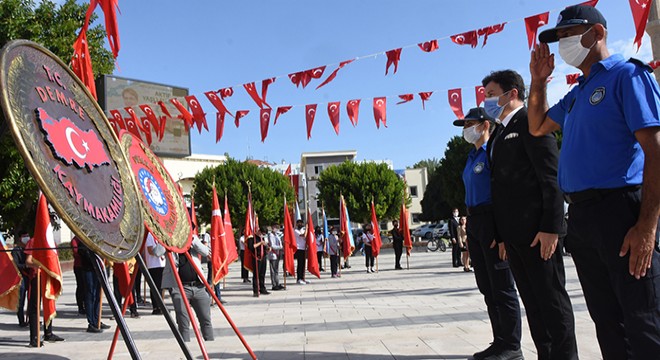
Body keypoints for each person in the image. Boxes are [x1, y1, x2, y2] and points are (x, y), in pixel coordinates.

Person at [528, 5, 660, 358]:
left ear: (597, 34)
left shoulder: (627, 75)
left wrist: (647, 225)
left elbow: (656, 152)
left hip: (622, 210)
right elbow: (538, 125)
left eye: (569, 35)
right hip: (584, 218)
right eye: (559, 38)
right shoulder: (579, 91)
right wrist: (538, 82)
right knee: (607, 320)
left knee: (642, 318)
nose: (562, 44)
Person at [484, 69, 577, 359]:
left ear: (512, 94)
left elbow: (551, 177)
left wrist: (552, 227)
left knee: (552, 304)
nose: (486, 101)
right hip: (514, 237)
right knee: (534, 306)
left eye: (490, 94)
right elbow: (500, 189)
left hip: (539, 234)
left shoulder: (531, 121)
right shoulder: (498, 134)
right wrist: (501, 237)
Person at [454, 106, 523, 360]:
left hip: (492, 219)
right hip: (474, 222)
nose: (465, 130)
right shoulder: (471, 157)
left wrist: (502, 232)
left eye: (469, 124)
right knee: (487, 287)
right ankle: (499, 340)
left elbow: (504, 194)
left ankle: (512, 346)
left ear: (484, 125)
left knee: (503, 287)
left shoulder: (492, 152)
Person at [161, 233, 215, 342]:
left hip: (198, 286)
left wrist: (193, 239)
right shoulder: (169, 238)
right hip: (179, 287)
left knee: (206, 319)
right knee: (183, 320)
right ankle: (186, 349)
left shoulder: (192, 239)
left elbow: (206, 252)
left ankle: (210, 345)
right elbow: (157, 252)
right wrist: (166, 239)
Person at [24, 236, 65, 346]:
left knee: (49, 303)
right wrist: (39, 264)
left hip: (49, 277)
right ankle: (34, 337)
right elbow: (28, 261)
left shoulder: (51, 241)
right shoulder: (33, 241)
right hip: (37, 277)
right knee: (35, 307)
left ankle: (48, 333)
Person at [77, 239, 111, 333]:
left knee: (98, 296)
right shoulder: (83, 239)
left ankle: (97, 320)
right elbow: (82, 252)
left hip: (99, 270)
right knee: (90, 295)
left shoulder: (99, 238)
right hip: (89, 269)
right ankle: (91, 323)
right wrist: (95, 258)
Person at [144, 232, 166, 315]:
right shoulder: (149, 235)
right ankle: (156, 307)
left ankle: (161, 305)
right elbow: (150, 251)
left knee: (162, 287)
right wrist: (160, 250)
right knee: (155, 287)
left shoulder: (160, 234)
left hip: (162, 263)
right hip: (153, 265)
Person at [11, 232, 30, 327]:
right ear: (20, 238)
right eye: (24, 236)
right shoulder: (16, 251)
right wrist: (26, 266)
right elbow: (15, 265)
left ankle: (31, 319)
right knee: (21, 300)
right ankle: (21, 320)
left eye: (28, 236)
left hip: (29, 277)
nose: (27, 238)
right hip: (20, 278)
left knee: (31, 299)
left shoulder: (29, 249)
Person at [247, 227, 270, 296]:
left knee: (262, 274)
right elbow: (251, 247)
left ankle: (262, 288)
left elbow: (264, 246)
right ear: (259, 231)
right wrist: (260, 243)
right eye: (262, 233)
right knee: (256, 274)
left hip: (263, 258)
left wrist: (268, 248)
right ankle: (256, 290)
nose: (263, 235)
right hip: (256, 258)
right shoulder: (252, 238)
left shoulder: (262, 238)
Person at [70, 236, 86, 316]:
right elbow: (75, 252)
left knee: (86, 287)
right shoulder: (75, 240)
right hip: (79, 266)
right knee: (80, 286)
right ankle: (80, 306)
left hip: (86, 266)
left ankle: (86, 305)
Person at [267, 225, 284, 291]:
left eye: (277, 228)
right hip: (273, 254)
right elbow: (272, 245)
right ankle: (274, 285)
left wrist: (281, 247)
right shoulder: (270, 235)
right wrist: (280, 247)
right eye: (275, 228)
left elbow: (280, 243)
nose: (276, 229)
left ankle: (277, 283)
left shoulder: (276, 235)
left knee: (276, 270)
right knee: (273, 271)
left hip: (278, 253)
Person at [294, 219, 309, 284]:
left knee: (303, 264)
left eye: (301, 223)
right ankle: (299, 278)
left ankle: (303, 278)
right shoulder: (296, 231)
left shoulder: (303, 230)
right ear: (297, 224)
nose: (300, 224)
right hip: (299, 248)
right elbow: (303, 235)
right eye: (298, 223)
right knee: (300, 264)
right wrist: (307, 228)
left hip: (304, 248)